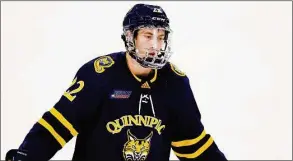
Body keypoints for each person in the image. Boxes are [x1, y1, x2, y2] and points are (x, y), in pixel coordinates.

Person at [5, 3, 228, 161]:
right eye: (148, 36)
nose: (156, 45)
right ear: (130, 37)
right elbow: (57, 126)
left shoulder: (176, 83)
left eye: (161, 37)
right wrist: (27, 156)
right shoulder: (98, 74)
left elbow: (194, 144)